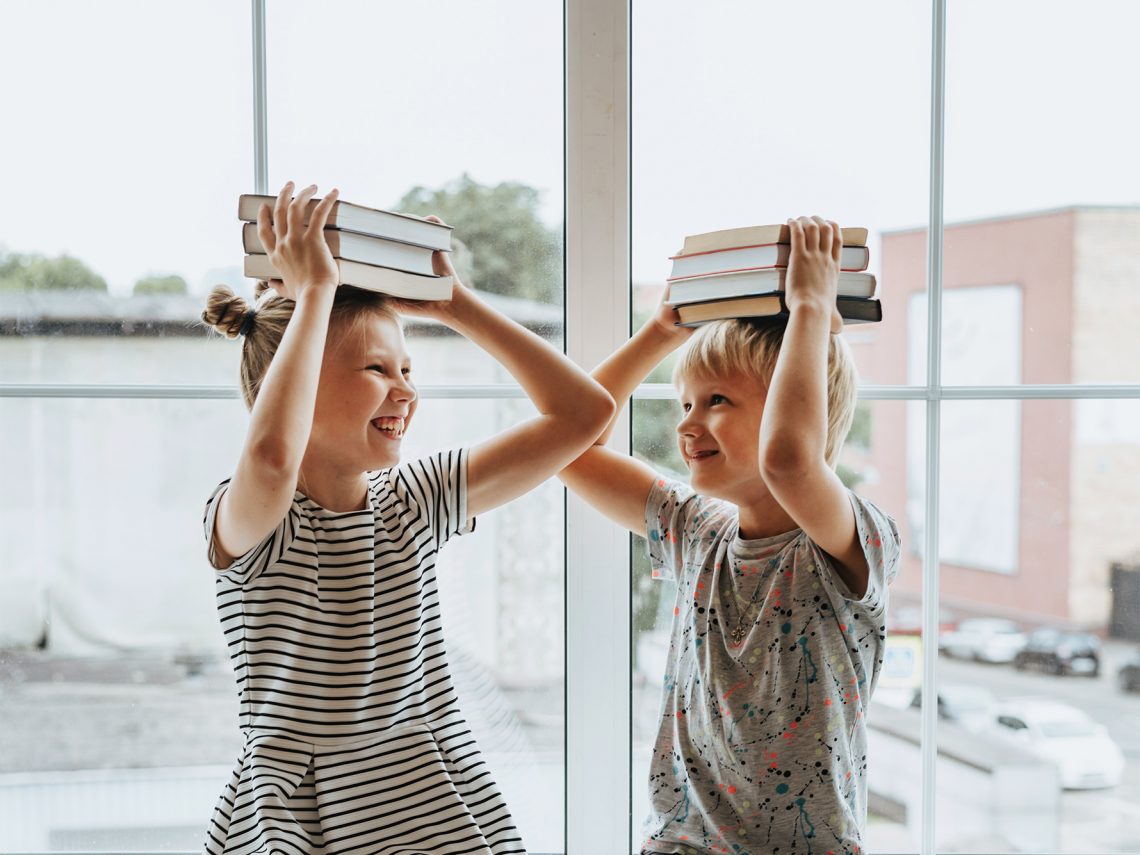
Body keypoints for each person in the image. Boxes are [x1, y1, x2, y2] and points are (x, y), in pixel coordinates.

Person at [198, 181, 614, 855]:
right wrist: (311, 297)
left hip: (429, 802)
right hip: (302, 819)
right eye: (376, 367)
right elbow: (274, 455)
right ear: (296, 380)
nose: (406, 388)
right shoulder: (256, 518)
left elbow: (584, 414)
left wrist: (459, 307)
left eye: (408, 367)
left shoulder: (415, 498)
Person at [560, 217, 901, 854]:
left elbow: (790, 463)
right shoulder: (695, 528)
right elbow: (567, 445)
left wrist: (809, 307)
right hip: (680, 843)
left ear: (793, 410)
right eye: (683, 403)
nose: (688, 424)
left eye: (717, 400)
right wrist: (660, 332)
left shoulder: (850, 540)